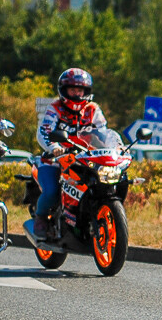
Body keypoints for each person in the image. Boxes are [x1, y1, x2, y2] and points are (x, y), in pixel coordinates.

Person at [33, 67, 108, 238]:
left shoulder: (93, 109)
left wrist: (114, 147)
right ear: (63, 90)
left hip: (84, 159)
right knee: (52, 191)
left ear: (86, 91)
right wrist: (54, 148)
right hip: (54, 160)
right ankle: (41, 217)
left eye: (80, 90)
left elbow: (104, 132)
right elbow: (43, 132)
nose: (76, 94)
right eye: (72, 89)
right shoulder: (55, 108)